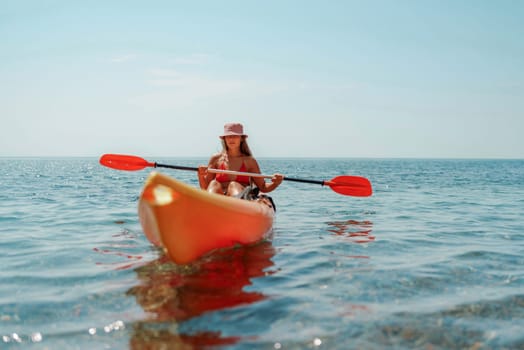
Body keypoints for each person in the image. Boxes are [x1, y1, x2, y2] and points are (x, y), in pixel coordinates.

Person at [198, 123, 283, 197]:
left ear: (241, 138)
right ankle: (210, 208)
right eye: (228, 136)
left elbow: (263, 187)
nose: (231, 139)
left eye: (235, 136)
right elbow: (205, 188)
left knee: (233, 185)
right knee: (214, 184)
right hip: (220, 199)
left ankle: (232, 208)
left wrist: (275, 183)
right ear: (224, 139)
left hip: (240, 200)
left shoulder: (249, 161)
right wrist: (201, 176)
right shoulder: (216, 159)